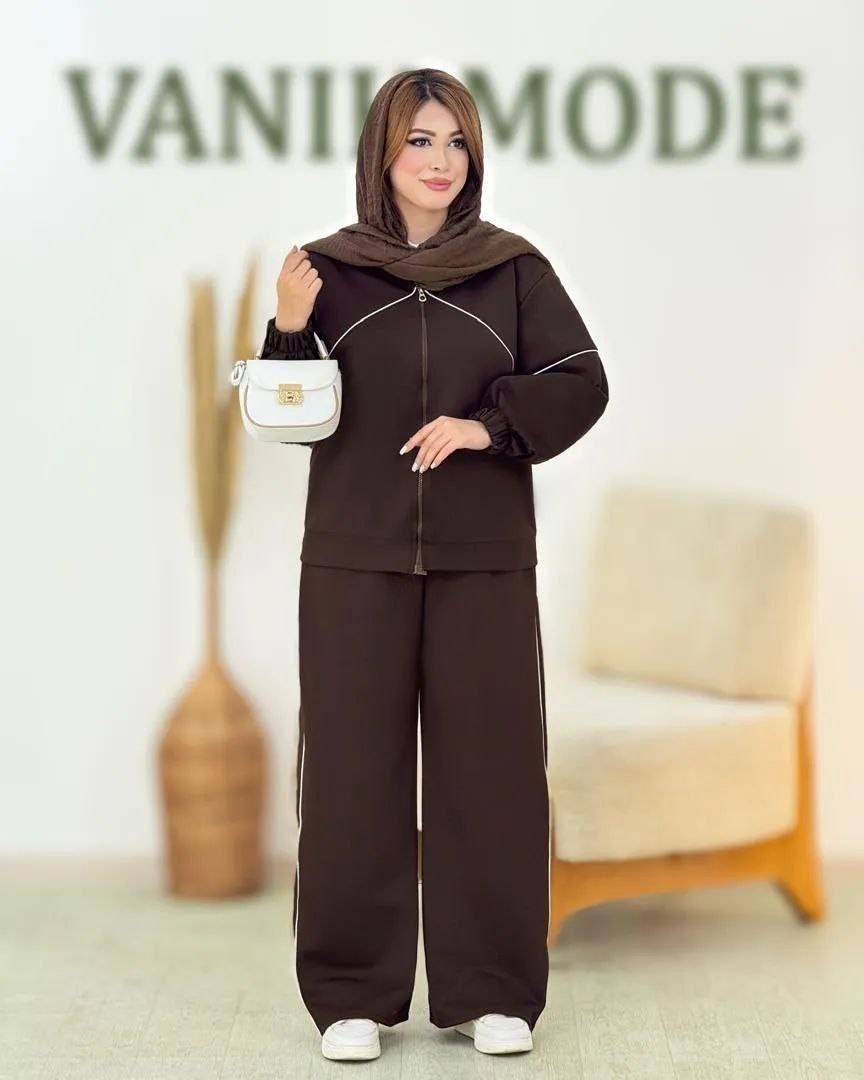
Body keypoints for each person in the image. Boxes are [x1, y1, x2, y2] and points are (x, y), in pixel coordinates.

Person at [259, 68, 610, 1062]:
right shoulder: (326, 270)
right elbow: (287, 421)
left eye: (456, 142)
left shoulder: (513, 271)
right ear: (383, 150)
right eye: (420, 140)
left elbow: (581, 382)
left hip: (483, 561)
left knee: (490, 775)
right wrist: (289, 326)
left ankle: (490, 991)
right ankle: (349, 998)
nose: (439, 160)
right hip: (353, 559)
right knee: (351, 777)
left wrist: (487, 425)